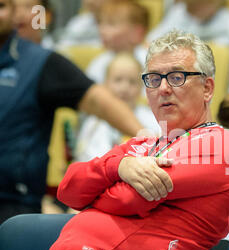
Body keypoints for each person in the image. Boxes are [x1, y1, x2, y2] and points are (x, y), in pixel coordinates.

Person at [0, 30, 229, 250]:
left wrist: (97, 195)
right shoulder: (142, 145)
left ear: (207, 88)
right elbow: (69, 188)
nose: (163, 88)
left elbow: (131, 198)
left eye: (177, 77)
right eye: (154, 79)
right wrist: (119, 167)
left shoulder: (222, 145)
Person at [0, 0, 145, 223]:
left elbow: (98, 101)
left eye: (1, 6)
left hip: (12, 204)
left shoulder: (40, 61)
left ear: (13, 13)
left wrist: (144, 134)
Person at [75, 52, 161, 162]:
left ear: (141, 87)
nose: (124, 88)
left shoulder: (152, 118)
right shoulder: (94, 123)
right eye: (118, 80)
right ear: (105, 84)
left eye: (132, 82)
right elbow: (86, 158)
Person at [146, 0, 229, 75]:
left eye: (195, 7)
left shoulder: (227, 18)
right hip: (172, 66)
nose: (189, 10)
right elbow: (151, 40)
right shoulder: (180, 11)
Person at [86, 0, 149, 84]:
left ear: (136, 33)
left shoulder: (149, 62)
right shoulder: (99, 63)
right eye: (100, 23)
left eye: (111, 24)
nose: (102, 30)